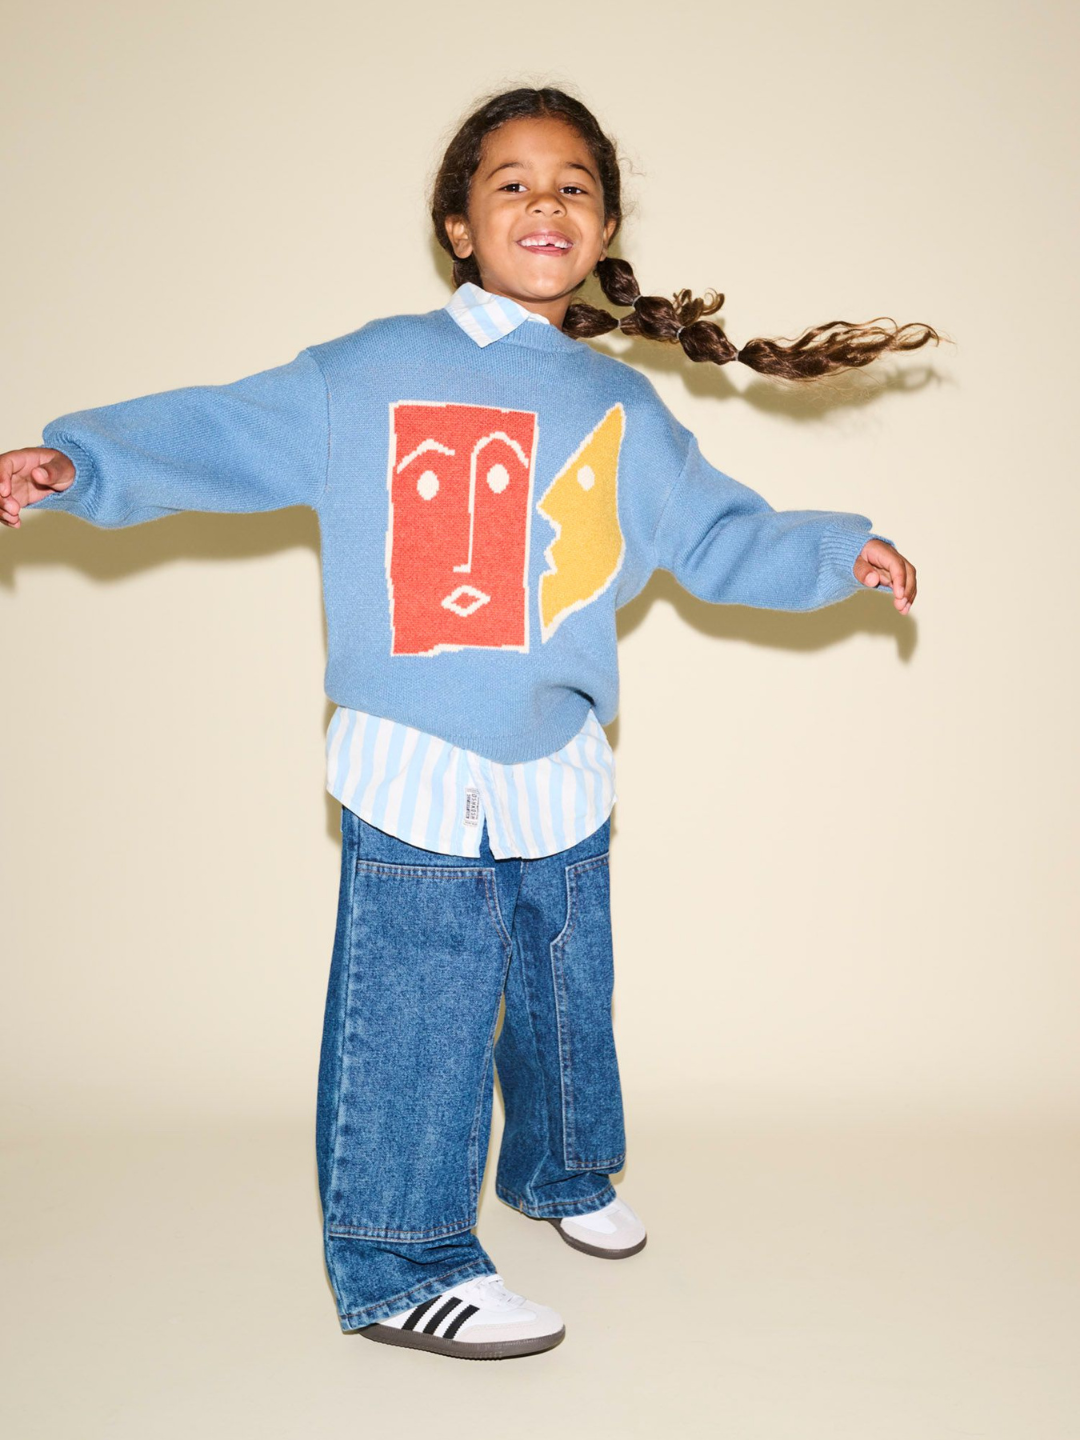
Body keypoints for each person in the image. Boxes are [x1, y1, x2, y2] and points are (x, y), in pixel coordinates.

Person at [1, 85, 926, 1362]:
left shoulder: (623, 410)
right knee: (422, 1010)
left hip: (560, 765)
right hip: (416, 761)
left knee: (561, 996)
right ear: (456, 226)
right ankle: (398, 1263)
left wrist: (836, 556)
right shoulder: (366, 373)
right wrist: (81, 468)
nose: (543, 201)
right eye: (510, 182)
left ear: (601, 233)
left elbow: (719, 533)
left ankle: (558, 1173)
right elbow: (219, 430)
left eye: (573, 185)